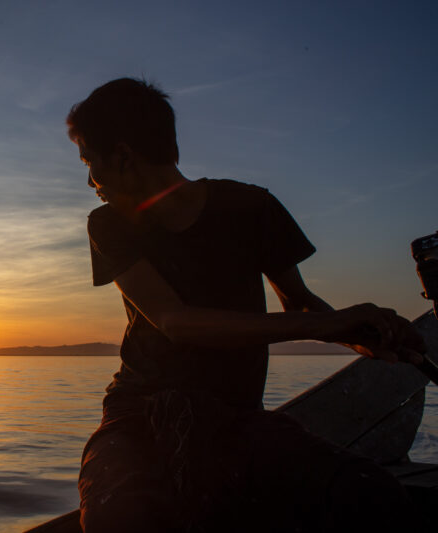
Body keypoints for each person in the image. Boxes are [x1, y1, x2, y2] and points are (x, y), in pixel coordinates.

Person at [67, 78, 427, 532]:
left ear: (122, 156)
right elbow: (175, 322)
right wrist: (332, 323)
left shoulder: (252, 207)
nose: (90, 182)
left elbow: (299, 306)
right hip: (138, 415)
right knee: (119, 517)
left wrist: (363, 333)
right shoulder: (109, 225)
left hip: (236, 418)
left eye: (89, 164)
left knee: (372, 495)